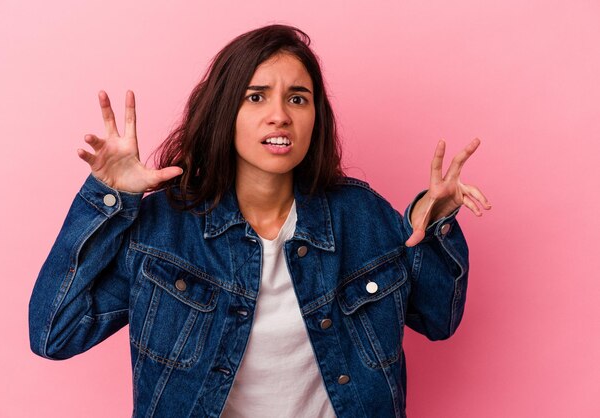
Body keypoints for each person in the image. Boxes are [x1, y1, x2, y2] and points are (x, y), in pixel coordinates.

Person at [28, 24, 490, 418]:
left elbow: (437, 319)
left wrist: (436, 226)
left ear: (316, 118)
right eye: (256, 96)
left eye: (298, 98)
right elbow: (54, 333)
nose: (279, 116)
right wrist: (111, 199)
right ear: (225, 112)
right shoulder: (164, 228)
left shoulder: (361, 216)